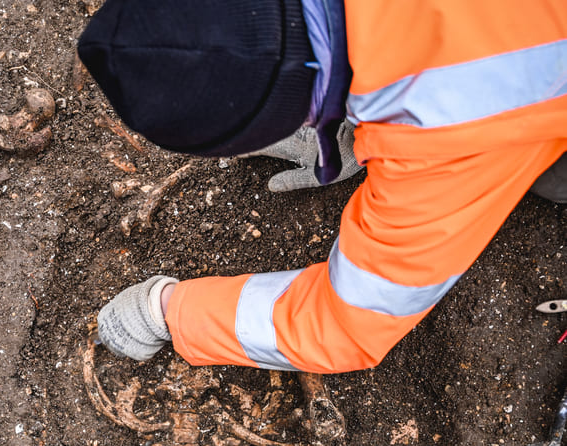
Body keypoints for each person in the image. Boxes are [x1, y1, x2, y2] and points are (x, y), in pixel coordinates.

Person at [77, 0, 567, 372]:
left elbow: (346, 321)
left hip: (534, 85)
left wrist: (169, 311)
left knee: (551, 180)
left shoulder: (454, 137)